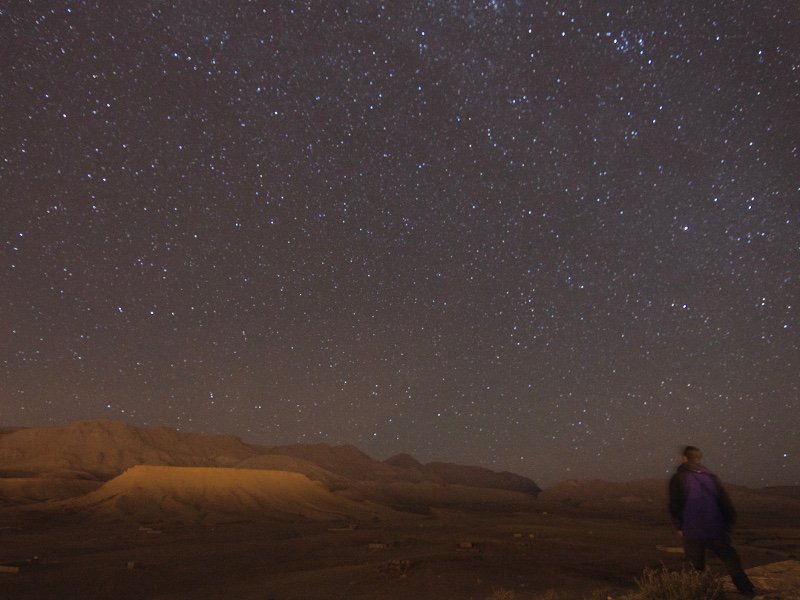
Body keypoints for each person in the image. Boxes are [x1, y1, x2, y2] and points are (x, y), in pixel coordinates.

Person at [668, 446, 756, 597]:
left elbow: (675, 504)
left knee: (696, 565)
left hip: (692, 529)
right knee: (729, 557)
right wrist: (727, 525)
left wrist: (679, 525)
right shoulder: (711, 477)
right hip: (716, 528)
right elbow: (725, 503)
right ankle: (746, 588)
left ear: (684, 458)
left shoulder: (679, 478)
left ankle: (699, 593)